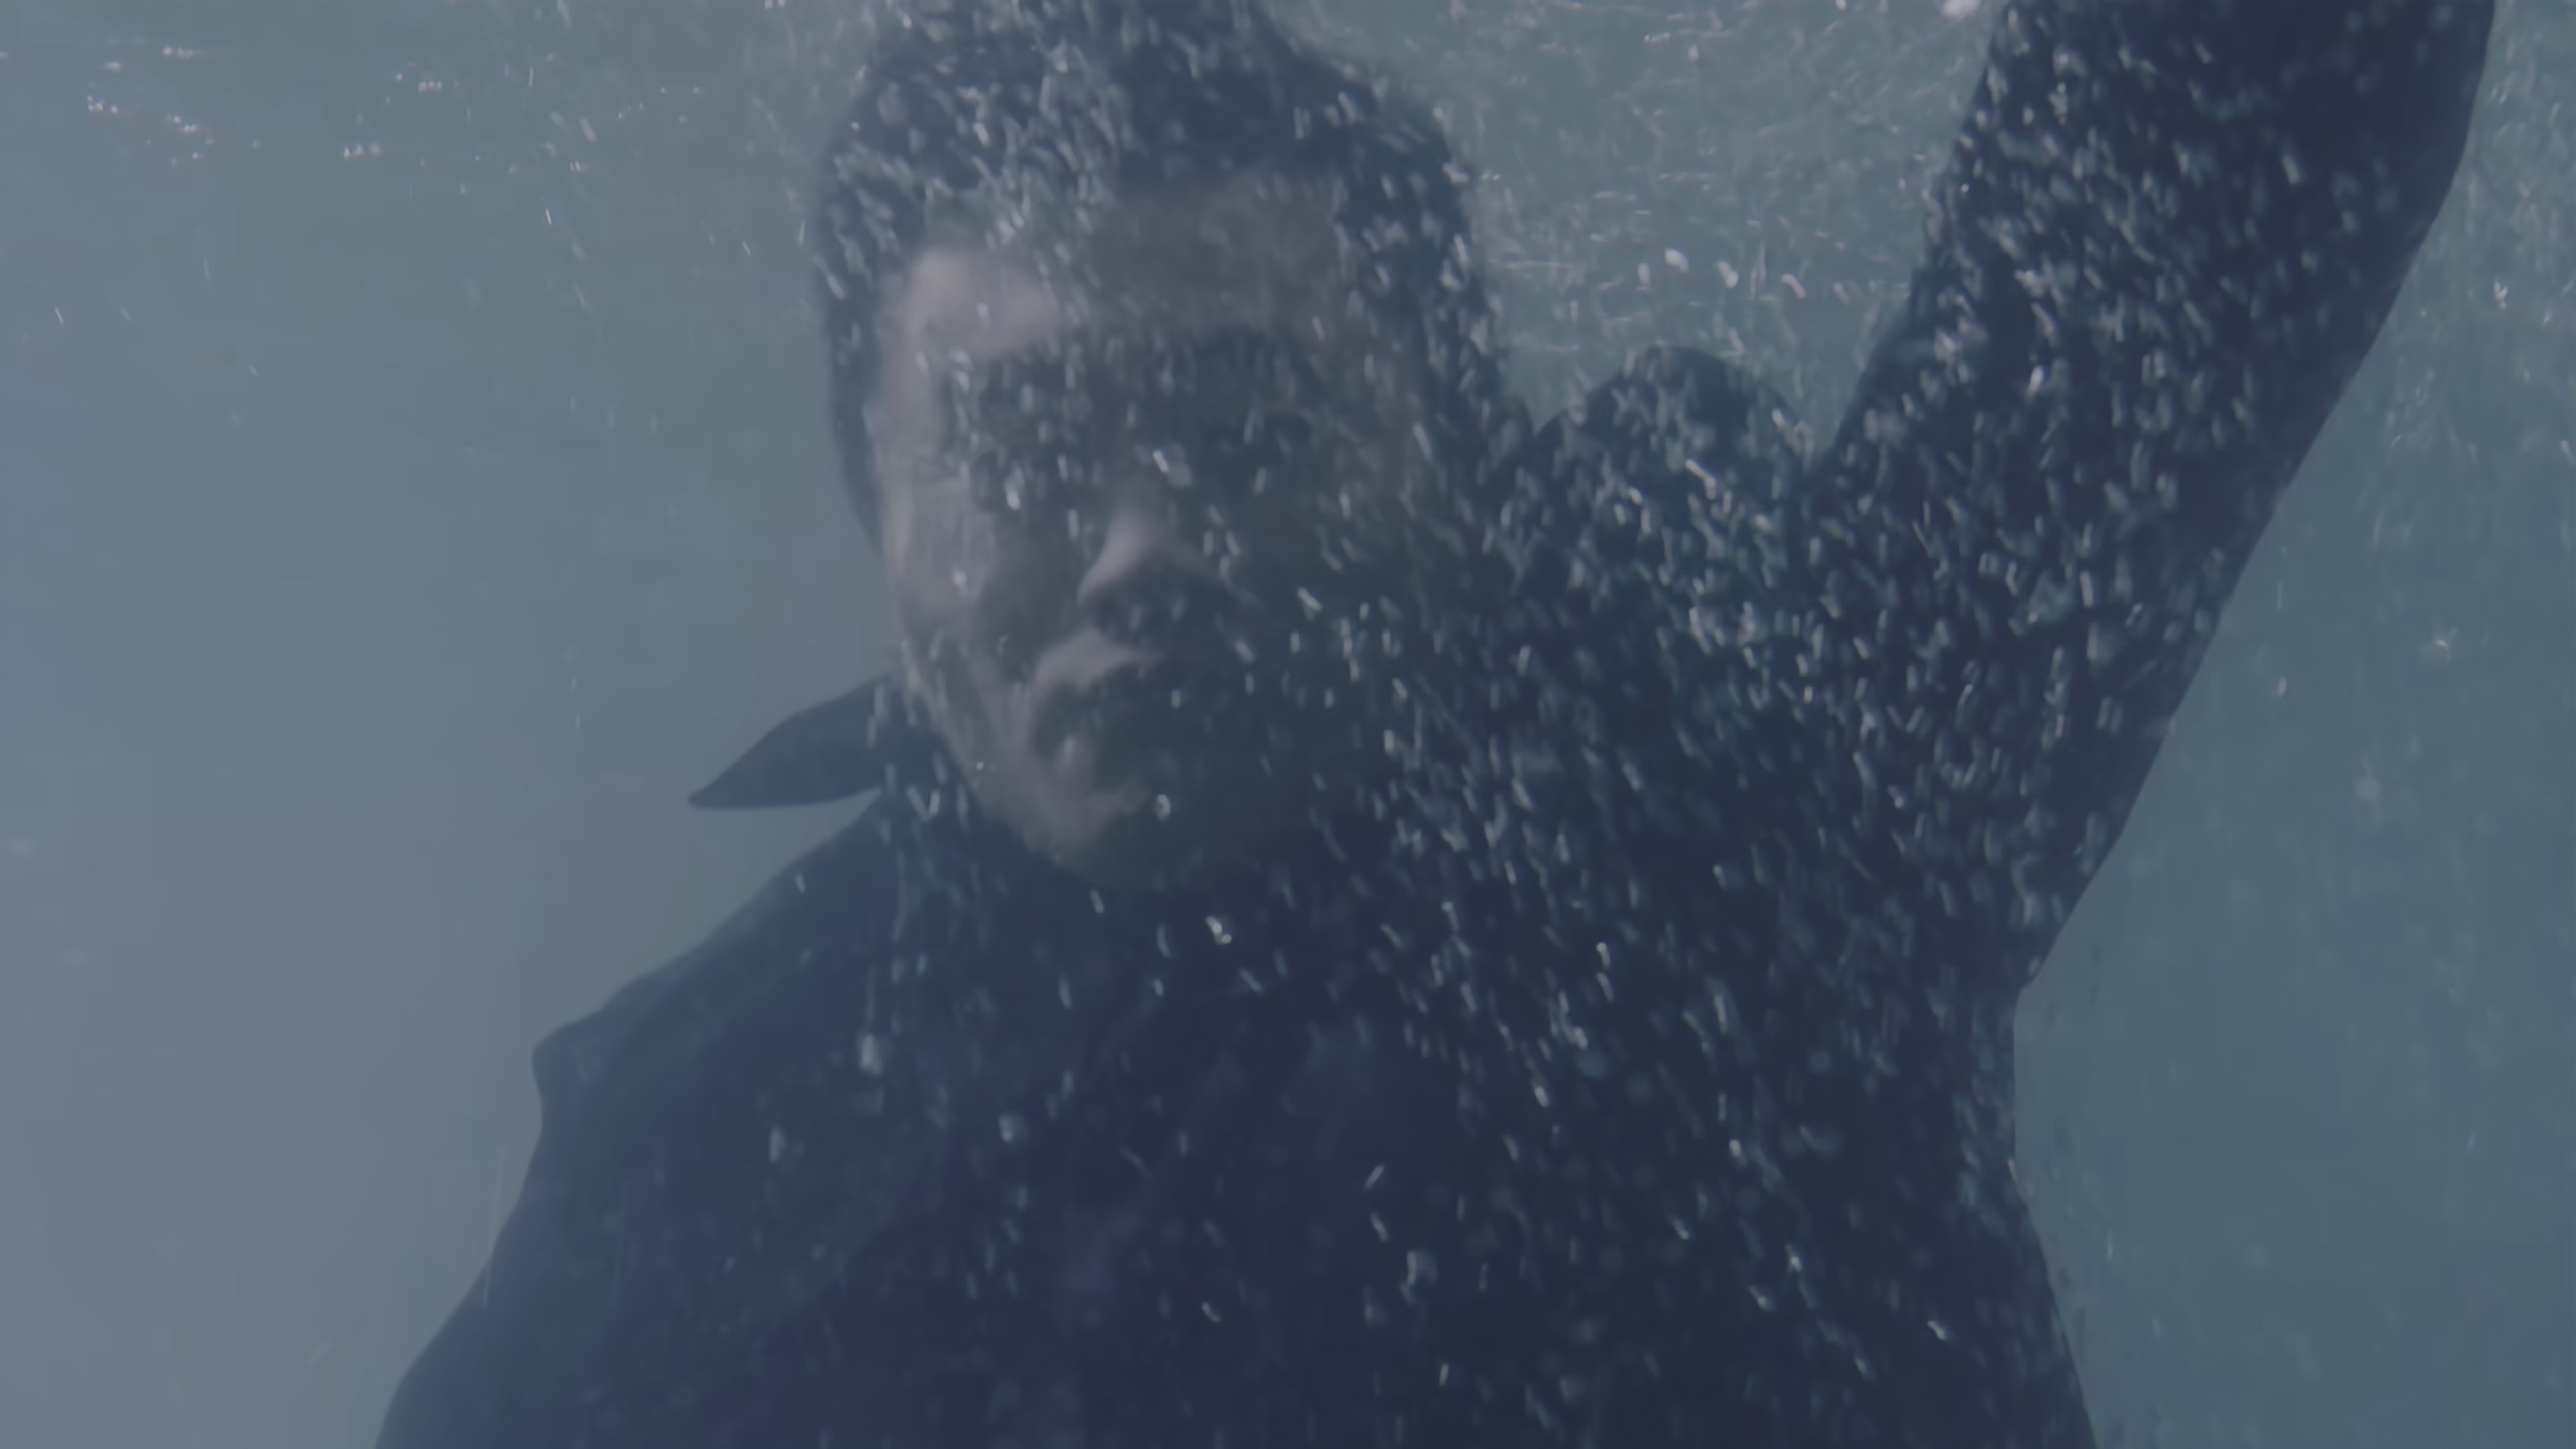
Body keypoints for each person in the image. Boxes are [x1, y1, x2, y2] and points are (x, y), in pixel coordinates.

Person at [378, 1, 2492, 1444]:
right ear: (882, 524)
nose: (1143, 548)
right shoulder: (707, 1127)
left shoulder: (1768, 808)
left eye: (1255, 425)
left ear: (1456, 475)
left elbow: (2204, 147)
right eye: (1022, 453)